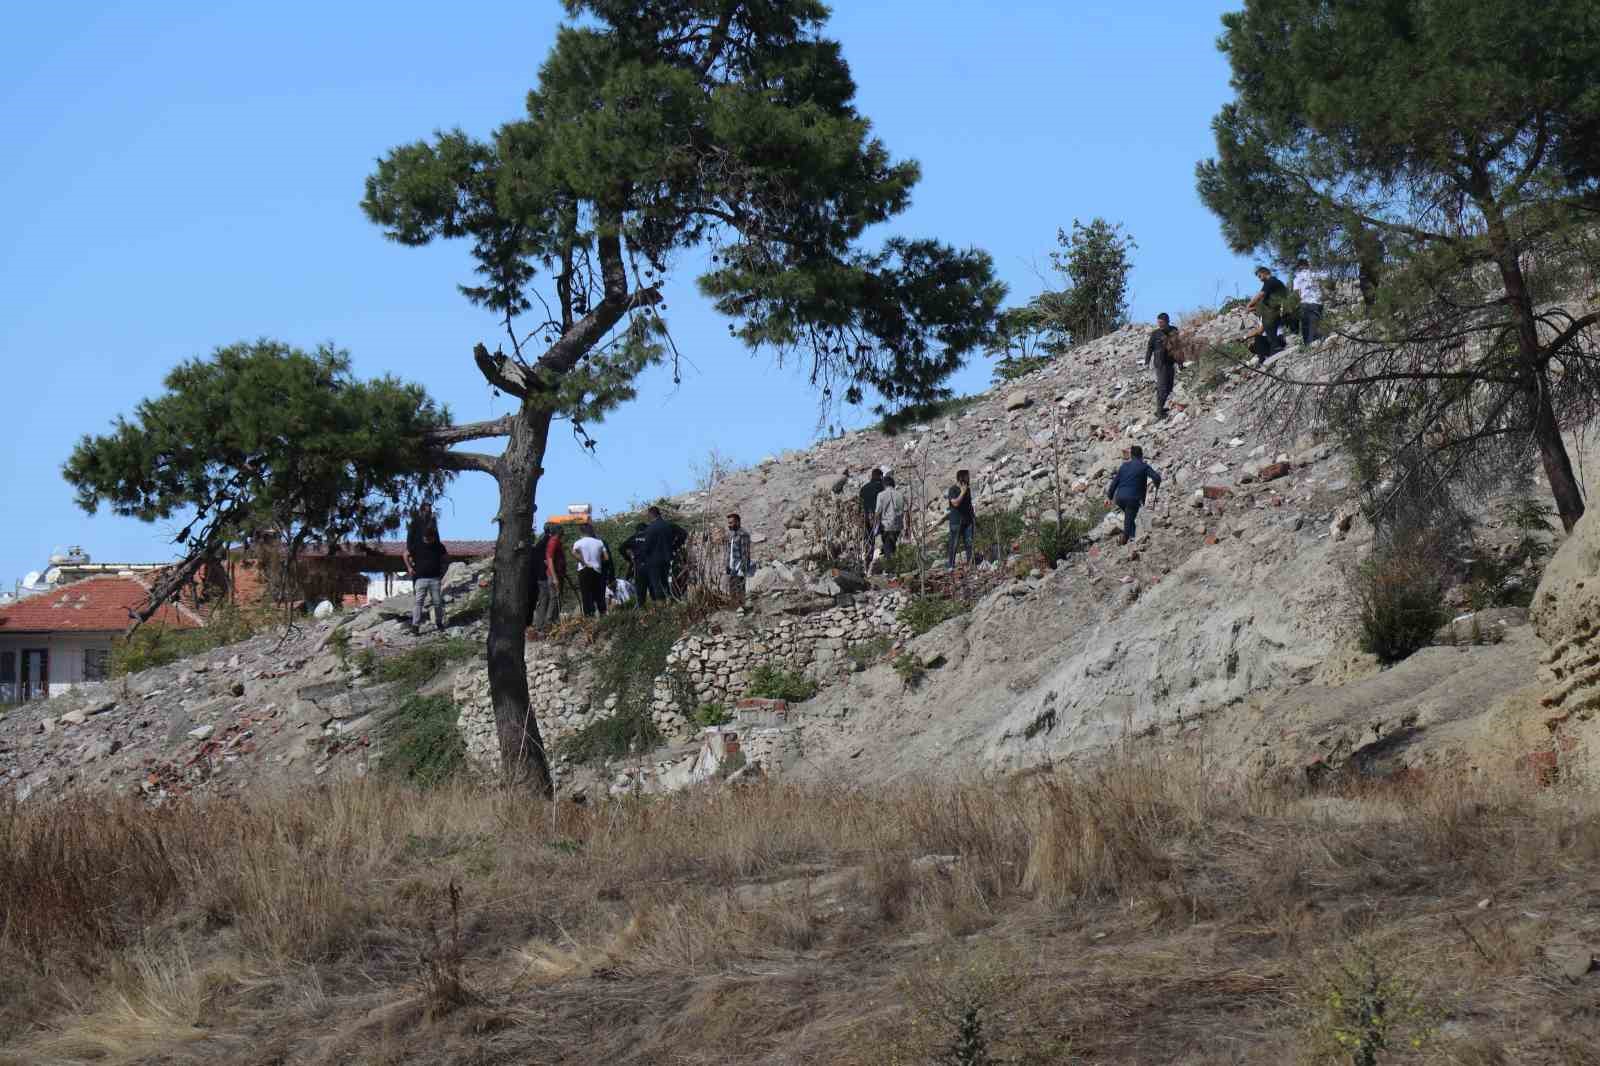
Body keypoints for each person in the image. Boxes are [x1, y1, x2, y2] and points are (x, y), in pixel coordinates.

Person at [1106, 445, 1163, 545]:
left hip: (1119, 498)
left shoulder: (1124, 466)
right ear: (1141, 455)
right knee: (1130, 515)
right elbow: (1156, 477)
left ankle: (1132, 536)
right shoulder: (1144, 466)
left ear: (1131, 455)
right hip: (1133, 498)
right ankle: (1125, 538)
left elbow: (1114, 482)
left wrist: (1109, 497)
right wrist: (1157, 484)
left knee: (1130, 516)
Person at [405, 523, 449, 635]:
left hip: (435, 579)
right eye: (425, 538)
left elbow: (446, 558)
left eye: (429, 538)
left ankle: (439, 623)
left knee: (437, 602)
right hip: (420, 579)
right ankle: (415, 626)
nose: (427, 540)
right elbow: (405, 554)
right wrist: (409, 567)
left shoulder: (439, 546)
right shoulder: (417, 545)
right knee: (418, 602)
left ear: (433, 537)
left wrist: (443, 571)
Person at [1245, 265, 1289, 361]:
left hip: (1275, 311)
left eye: (1260, 276)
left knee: (1269, 330)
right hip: (1273, 310)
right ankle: (1274, 350)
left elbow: (1260, 295)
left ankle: (1276, 349)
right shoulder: (1272, 283)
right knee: (1269, 331)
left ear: (1265, 273)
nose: (1260, 279)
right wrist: (1251, 308)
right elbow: (1262, 305)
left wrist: (1249, 305)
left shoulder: (1270, 282)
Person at [1145, 312, 1181, 420]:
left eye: (1161, 322)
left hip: (1170, 363)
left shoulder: (1174, 330)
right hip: (1160, 364)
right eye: (1158, 322)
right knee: (1162, 387)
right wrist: (1147, 361)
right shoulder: (1155, 334)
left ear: (1167, 322)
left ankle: (1164, 407)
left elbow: (1178, 347)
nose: (1160, 325)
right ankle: (1159, 411)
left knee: (1169, 386)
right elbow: (1149, 348)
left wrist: (1180, 362)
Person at [638, 506, 678, 604]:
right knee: (667, 582)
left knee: (656, 584)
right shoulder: (668, 525)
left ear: (651, 515)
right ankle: (671, 601)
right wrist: (675, 547)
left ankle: (661, 606)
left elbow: (646, 546)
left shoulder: (650, 529)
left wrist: (641, 559)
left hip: (654, 560)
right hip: (668, 558)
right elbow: (681, 535)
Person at [532, 520, 566, 629]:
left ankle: (543, 624)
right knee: (551, 598)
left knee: (549, 599)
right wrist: (554, 576)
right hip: (547, 575)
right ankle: (546, 624)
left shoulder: (544, 541)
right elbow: (549, 559)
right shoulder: (551, 541)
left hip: (547, 574)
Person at [571, 523, 610, 618]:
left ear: (581, 531)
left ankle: (589, 616)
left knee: (586, 594)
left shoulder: (578, 543)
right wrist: (597, 560)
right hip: (597, 569)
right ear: (590, 530)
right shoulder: (599, 542)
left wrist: (583, 562)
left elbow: (574, 553)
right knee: (599, 593)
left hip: (584, 570)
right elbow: (606, 558)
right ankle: (603, 613)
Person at [1292, 259, 1328, 345]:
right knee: (1314, 324)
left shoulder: (1297, 277)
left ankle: (1308, 345)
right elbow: (1326, 279)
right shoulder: (1315, 274)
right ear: (1308, 265)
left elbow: (1296, 292)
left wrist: (1297, 304)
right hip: (1316, 302)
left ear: (1299, 266)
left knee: (1305, 326)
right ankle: (1315, 343)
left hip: (1304, 303)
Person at [946, 469, 976, 569]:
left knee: (969, 543)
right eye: (967, 476)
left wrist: (973, 518)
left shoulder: (968, 489)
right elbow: (955, 503)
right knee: (954, 545)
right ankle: (951, 566)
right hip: (956, 522)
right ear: (961, 477)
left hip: (968, 521)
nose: (969, 478)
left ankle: (970, 564)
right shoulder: (953, 490)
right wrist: (962, 493)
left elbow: (969, 505)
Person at [874, 473, 907, 564]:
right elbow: (906, 512)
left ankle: (890, 567)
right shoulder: (900, 495)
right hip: (898, 525)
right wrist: (907, 527)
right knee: (893, 546)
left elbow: (877, 512)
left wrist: (876, 527)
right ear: (893, 484)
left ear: (884, 485)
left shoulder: (881, 495)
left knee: (888, 547)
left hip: (886, 526)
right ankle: (894, 565)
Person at [858, 467, 885, 567]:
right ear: (880, 476)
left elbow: (859, 507)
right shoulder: (881, 487)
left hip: (866, 519)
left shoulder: (863, 488)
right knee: (880, 541)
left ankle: (867, 563)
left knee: (869, 542)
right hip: (878, 518)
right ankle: (877, 565)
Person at [725, 512, 754, 603]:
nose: (729, 525)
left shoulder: (743, 534)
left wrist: (743, 569)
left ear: (737, 522)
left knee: (740, 591)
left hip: (739, 568)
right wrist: (727, 565)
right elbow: (730, 552)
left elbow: (745, 553)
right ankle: (736, 609)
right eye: (728, 522)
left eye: (731, 523)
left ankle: (742, 610)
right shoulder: (732, 535)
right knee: (732, 592)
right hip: (732, 568)